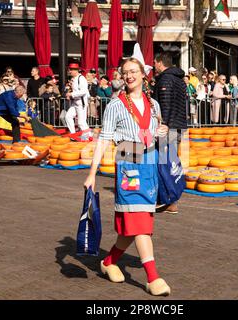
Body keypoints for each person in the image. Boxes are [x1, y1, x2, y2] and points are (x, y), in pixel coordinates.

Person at [83, 43, 170, 296]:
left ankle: (108, 261)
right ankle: (153, 278)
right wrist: (91, 174)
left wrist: (160, 133)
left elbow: (154, 134)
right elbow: (103, 139)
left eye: (133, 71)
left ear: (144, 74)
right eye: (125, 72)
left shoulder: (154, 105)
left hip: (150, 166)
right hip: (128, 166)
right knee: (140, 223)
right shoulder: (115, 105)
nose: (129, 76)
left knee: (133, 224)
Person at [153, 51, 187, 214]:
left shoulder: (166, 79)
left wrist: (163, 124)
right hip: (178, 125)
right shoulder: (180, 80)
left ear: (160, 63)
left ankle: (169, 200)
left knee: (164, 164)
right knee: (171, 163)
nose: (153, 65)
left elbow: (165, 104)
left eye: (154, 62)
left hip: (169, 128)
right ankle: (170, 199)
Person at [64, 62, 92, 139]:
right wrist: (70, 95)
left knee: (81, 122)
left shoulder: (81, 78)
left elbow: (83, 91)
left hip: (81, 103)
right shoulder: (74, 79)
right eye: (70, 70)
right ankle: (73, 134)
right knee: (68, 116)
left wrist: (71, 94)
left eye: (71, 70)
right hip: (75, 102)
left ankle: (89, 136)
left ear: (76, 70)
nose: (70, 71)